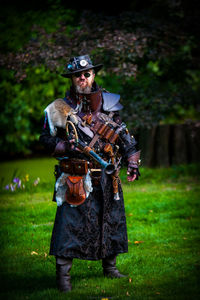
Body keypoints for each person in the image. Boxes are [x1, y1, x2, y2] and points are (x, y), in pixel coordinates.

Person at [39, 54, 141, 293]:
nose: (82, 78)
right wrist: (66, 146)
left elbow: (124, 135)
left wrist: (133, 162)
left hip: (108, 175)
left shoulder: (110, 102)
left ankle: (110, 268)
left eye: (86, 74)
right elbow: (45, 140)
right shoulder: (58, 108)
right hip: (75, 177)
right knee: (69, 226)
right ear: (72, 78)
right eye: (78, 75)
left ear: (94, 75)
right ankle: (63, 279)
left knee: (110, 219)